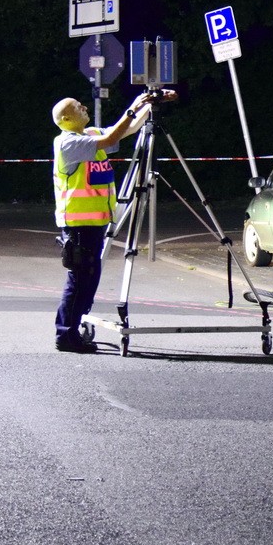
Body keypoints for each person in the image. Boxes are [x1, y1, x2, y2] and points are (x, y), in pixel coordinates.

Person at [51, 90, 173, 352]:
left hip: (95, 223)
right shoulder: (68, 144)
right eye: (78, 106)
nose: (83, 107)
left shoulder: (90, 134)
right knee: (80, 279)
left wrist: (148, 105)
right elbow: (113, 137)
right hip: (78, 224)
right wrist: (133, 105)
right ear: (65, 118)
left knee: (89, 278)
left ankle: (75, 327)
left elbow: (126, 130)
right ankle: (65, 334)